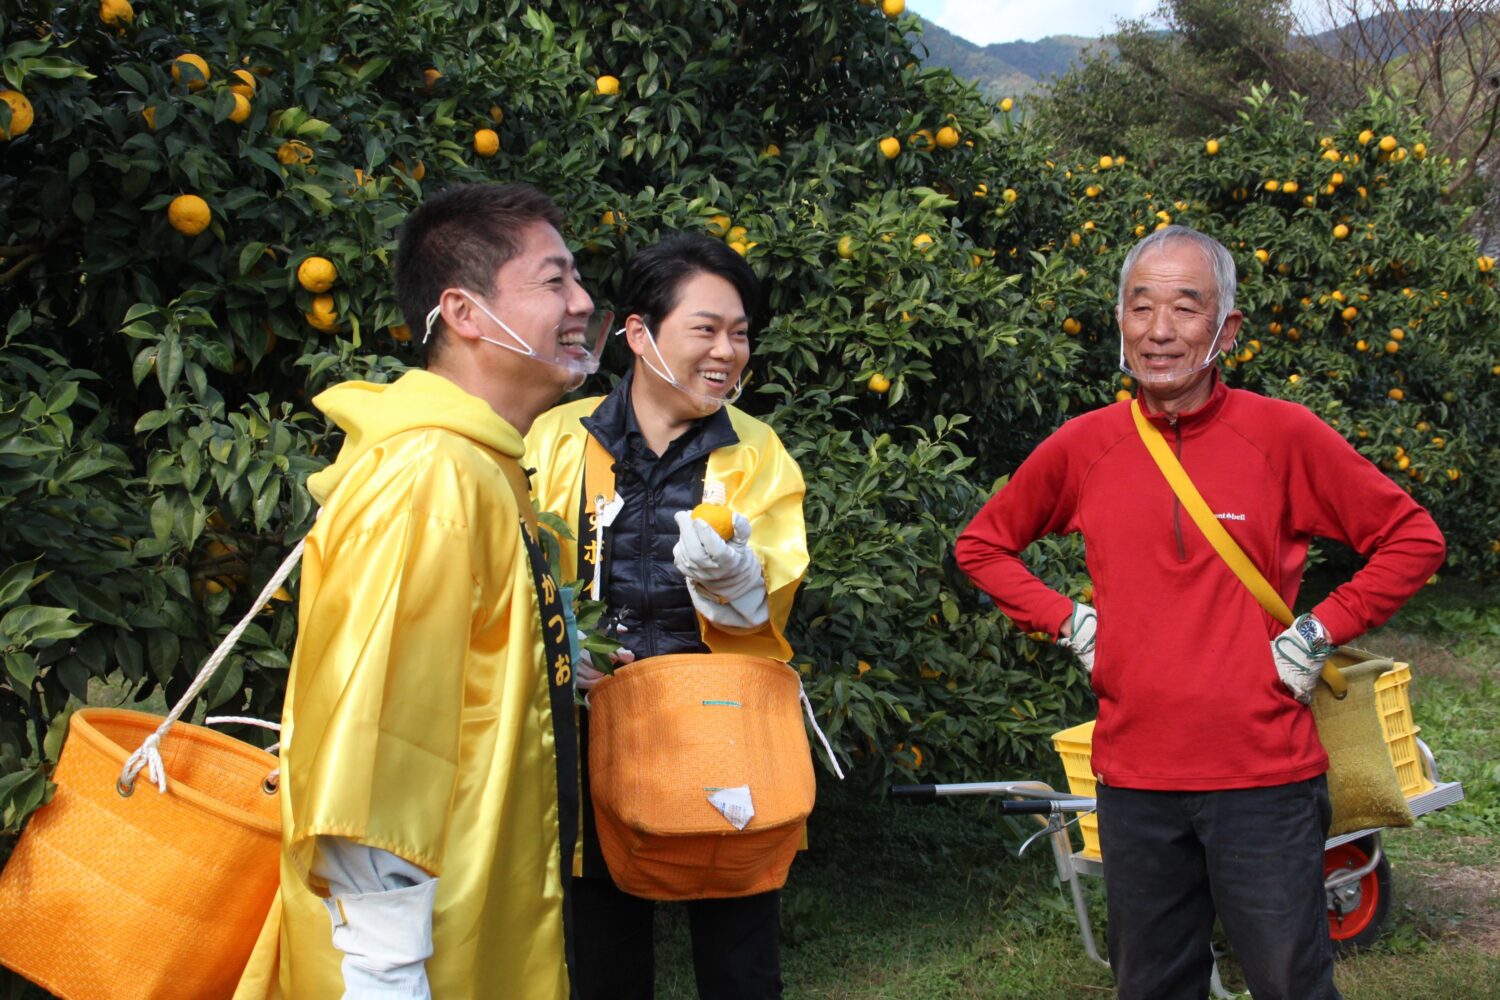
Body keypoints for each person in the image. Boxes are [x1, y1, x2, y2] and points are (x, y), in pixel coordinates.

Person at [954, 225, 1445, 1000]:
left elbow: (1413, 537)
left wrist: (1321, 629)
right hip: (1136, 778)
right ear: (1118, 320)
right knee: (1152, 985)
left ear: (1227, 329)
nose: (1159, 330)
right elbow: (983, 545)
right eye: (1140, 306)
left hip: (1266, 775)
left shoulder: (1281, 435)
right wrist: (1068, 621)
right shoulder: (1088, 445)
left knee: (1290, 981)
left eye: (1186, 307)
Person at [235, 182, 606, 999]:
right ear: (465, 313)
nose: (582, 302)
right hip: (409, 948)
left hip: (470, 917)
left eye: (576, 279)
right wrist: (384, 969)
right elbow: (375, 726)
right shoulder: (431, 475)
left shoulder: (483, 465)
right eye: (554, 280)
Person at [525, 232, 808, 1000]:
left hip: (722, 726)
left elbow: (777, 586)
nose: (728, 350)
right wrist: (555, 646)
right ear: (639, 333)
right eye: (707, 328)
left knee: (740, 958)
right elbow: (518, 574)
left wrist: (742, 583)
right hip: (595, 729)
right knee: (602, 952)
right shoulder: (558, 438)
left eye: (741, 332)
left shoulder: (756, 452)